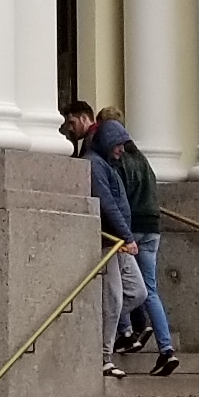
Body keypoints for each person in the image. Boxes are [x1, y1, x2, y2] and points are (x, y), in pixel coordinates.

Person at [63, 97, 176, 376]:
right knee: (120, 296)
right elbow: (107, 203)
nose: (119, 151)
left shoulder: (109, 163)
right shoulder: (99, 163)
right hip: (115, 240)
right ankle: (106, 353)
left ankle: (113, 327)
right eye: (116, 146)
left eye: (120, 146)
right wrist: (126, 236)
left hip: (123, 239)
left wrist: (127, 236)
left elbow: (117, 201)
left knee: (138, 292)